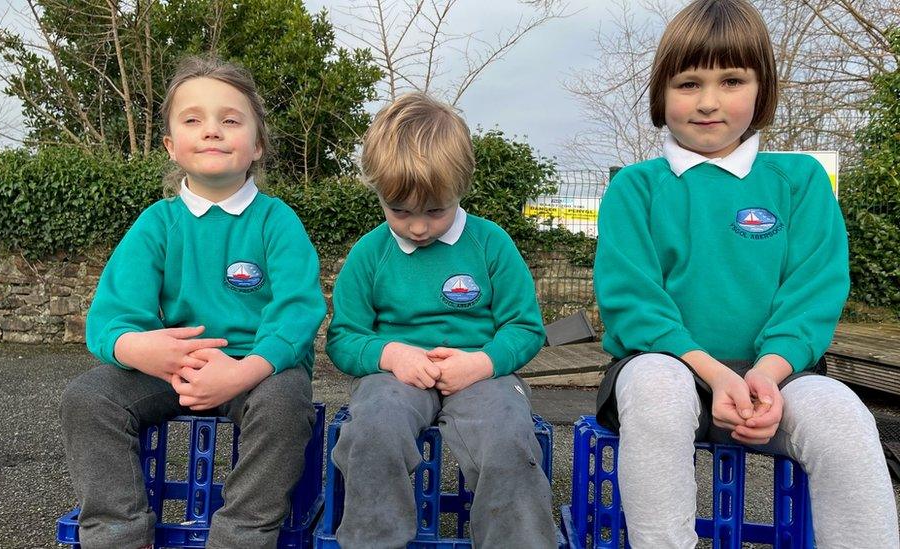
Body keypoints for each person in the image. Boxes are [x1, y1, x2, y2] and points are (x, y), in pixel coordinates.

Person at [592, 0, 900, 547]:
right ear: (661, 94)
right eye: (688, 83)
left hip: (775, 380)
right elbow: (633, 300)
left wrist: (766, 374)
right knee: (658, 389)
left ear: (763, 89)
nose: (709, 101)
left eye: (731, 79)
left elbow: (812, 294)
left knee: (844, 415)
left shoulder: (799, 179)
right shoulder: (635, 187)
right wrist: (713, 374)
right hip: (667, 367)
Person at [59, 55, 326, 549]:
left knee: (287, 404)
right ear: (171, 146)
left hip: (257, 371)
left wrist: (246, 370)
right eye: (193, 120)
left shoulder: (276, 221)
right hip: (172, 369)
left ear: (257, 144)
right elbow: (110, 316)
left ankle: (241, 534)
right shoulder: (158, 223)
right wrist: (140, 350)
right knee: (88, 398)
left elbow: (299, 309)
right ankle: (117, 534)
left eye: (230, 120)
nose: (212, 131)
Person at [325, 92, 556, 548]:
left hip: (482, 376)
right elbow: (344, 337)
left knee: (509, 437)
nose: (417, 227)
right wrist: (390, 354)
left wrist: (482, 362)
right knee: (372, 430)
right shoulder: (370, 253)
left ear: (460, 187)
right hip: (396, 378)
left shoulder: (490, 243)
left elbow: (525, 327)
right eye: (399, 211)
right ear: (377, 192)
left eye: (434, 211)